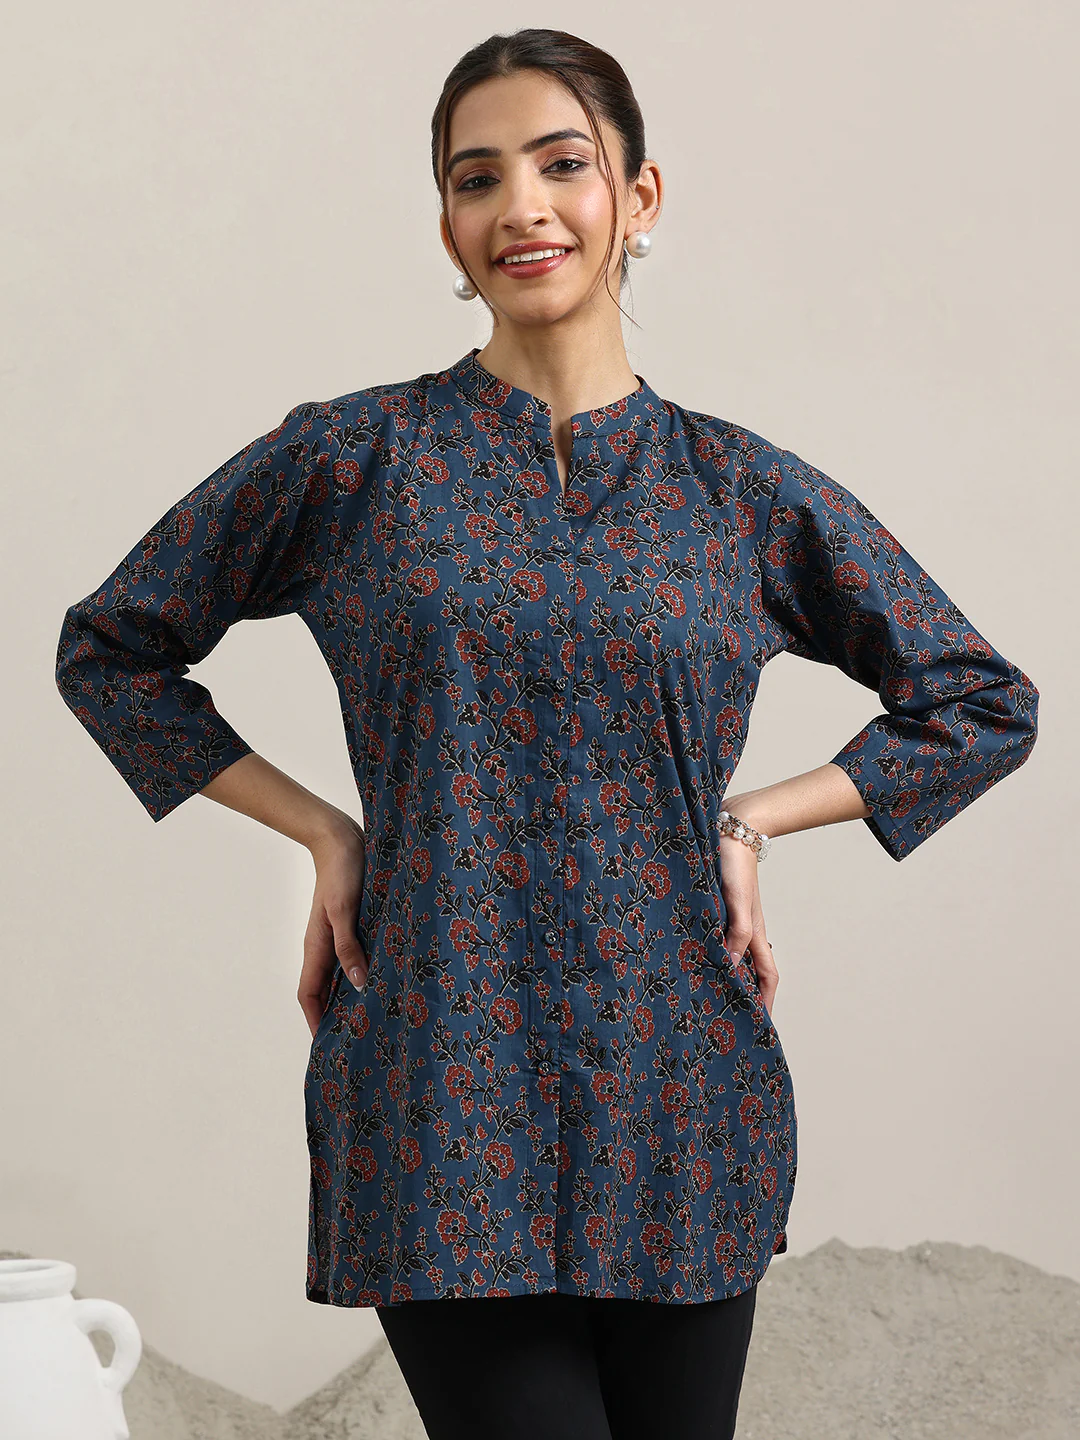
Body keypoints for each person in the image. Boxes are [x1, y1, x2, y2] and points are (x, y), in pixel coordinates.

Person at [53, 27, 1040, 1440]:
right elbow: (113, 651)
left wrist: (753, 819)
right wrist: (324, 830)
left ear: (639, 197)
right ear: (447, 229)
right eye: (477, 178)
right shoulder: (355, 461)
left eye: (561, 164)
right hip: (437, 1087)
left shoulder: (739, 491)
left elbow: (981, 701)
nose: (521, 205)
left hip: (682, 1096)